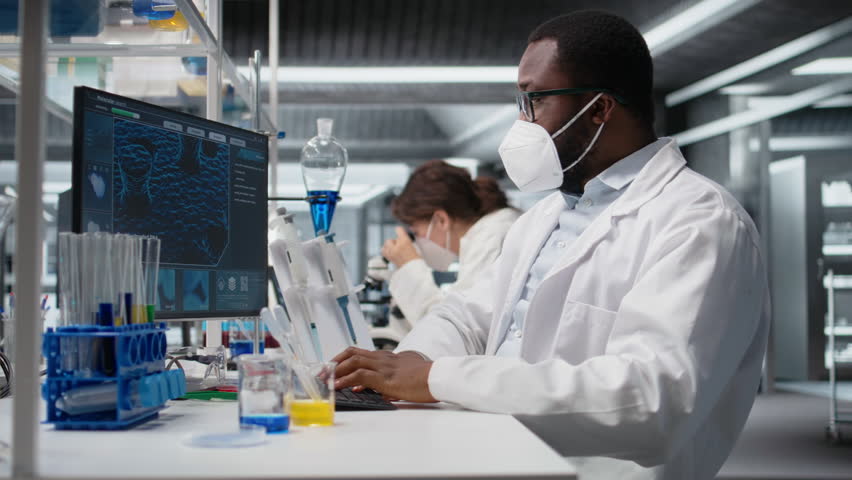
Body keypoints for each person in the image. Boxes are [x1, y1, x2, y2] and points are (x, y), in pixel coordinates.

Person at [333, 11, 769, 480]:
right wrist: (408, 364)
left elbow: (650, 402)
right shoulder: (546, 216)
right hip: (497, 452)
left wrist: (438, 379)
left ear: (600, 109)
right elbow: (466, 314)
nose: (523, 122)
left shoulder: (698, 220)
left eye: (535, 100)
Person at [380, 160, 520, 325]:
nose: (417, 242)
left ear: (441, 220)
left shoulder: (492, 238)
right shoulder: (488, 232)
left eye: (416, 233)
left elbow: (456, 327)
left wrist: (408, 265)